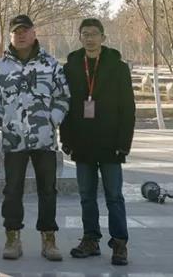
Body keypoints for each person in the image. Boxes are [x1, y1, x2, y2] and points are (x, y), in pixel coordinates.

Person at [0, 14, 70, 262]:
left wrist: (52, 119)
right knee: (12, 190)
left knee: (48, 190)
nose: (20, 35)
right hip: (14, 139)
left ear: (33, 33)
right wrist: (2, 121)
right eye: (16, 31)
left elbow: (63, 96)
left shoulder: (49, 64)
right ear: (11, 36)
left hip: (44, 139)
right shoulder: (1, 66)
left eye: (25, 30)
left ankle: (49, 237)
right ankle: (12, 237)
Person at [60, 18, 135, 266]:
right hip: (83, 142)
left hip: (111, 141)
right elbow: (66, 106)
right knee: (86, 195)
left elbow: (128, 108)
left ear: (103, 37)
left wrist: (124, 143)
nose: (89, 38)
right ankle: (90, 239)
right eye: (85, 34)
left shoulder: (117, 67)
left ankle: (120, 243)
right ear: (79, 37)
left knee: (114, 194)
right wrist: (66, 139)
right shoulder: (71, 66)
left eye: (94, 34)